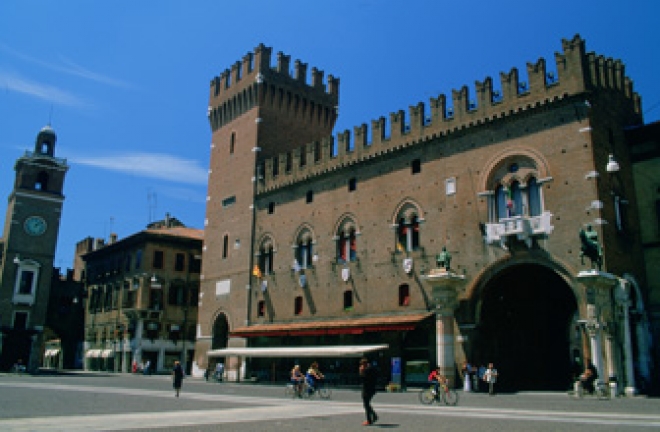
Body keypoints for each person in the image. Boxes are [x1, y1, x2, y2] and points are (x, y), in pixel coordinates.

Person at [359, 358, 378, 426]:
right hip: (372, 389)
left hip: (367, 389)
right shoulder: (373, 369)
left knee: (366, 404)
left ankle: (369, 420)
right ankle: (374, 416)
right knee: (367, 404)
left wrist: (361, 372)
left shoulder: (366, 370)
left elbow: (364, 379)